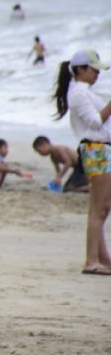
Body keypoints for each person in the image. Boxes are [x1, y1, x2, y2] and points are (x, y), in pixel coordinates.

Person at [52, 49, 111, 276]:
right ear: (80, 69)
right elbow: (95, 123)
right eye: (93, 69)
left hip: (100, 150)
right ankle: (92, 260)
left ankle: (102, 258)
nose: (97, 73)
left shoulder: (83, 92)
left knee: (101, 208)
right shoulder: (79, 93)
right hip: (96, 150)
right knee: (99, 208)